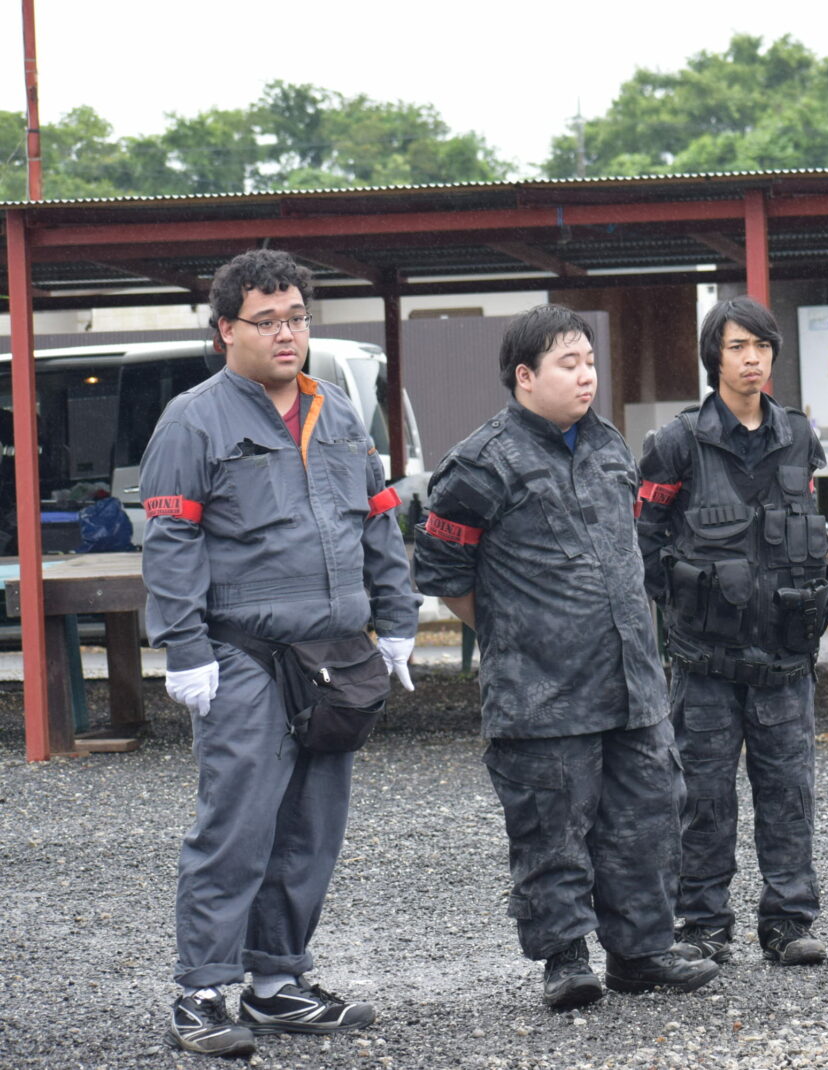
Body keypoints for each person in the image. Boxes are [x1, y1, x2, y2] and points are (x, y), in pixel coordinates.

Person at [141, 250, 419, 1056]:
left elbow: (377, 520)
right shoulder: (193, 421)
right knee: (237, 824)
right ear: (226, 330)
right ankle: (200, 994)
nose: (287, 333)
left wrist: (397, 617)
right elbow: (170, 541)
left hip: (333, 658)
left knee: (310, 828)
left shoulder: (338, 413)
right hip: (243, 657)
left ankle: (276, 984)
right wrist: (185, 647)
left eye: (297, 317)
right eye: (267, 321)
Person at [413, 304, 718, 1011]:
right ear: (525, 376)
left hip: (631, 684)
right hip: (542, 692)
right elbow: (443, 572)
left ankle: (640, 954)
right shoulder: (482, 463)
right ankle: (565, 960)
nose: (586, 377)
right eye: (568, 364)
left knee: (647, 818)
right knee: (551, 828)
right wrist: (515, 633)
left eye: (589, 362)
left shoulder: (610, 446)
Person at [636, 296, 828, 966]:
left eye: (762, 346)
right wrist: (681, 617)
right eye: (737, 346)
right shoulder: (676, 444)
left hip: (784, 660)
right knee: (702, 798)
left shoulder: (799, 438)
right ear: (713, 357)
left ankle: (788, 922)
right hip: (706, 664)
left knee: (789, 795)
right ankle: (703, 924)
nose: (752, 359)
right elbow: (644, 543)